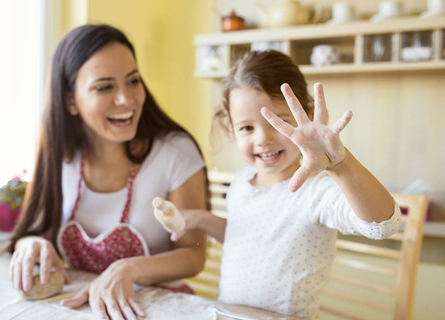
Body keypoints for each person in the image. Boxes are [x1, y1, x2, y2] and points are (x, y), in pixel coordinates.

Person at [167, 50, 402, 319]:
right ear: (231, 127)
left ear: (308, 116)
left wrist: (341, 165)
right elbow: (243, 236)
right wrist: (200, 220)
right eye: (246, 128)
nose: (263, 139)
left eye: (277, 123)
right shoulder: (242, 181)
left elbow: (383, 226)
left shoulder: (317, 191)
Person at [7, 24, 208, 320]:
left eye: (133, 81)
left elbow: (195, 253)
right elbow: (32, 229)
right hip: (83, 309)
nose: (126, 99)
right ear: (70, 100)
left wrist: (130, 268)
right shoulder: (57, 154)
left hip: (156, 308)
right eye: (104, 87)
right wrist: (31, 243)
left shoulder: (175, 152)